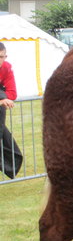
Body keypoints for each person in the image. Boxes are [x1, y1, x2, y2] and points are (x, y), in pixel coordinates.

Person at [0, 42, 22, 178]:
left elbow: (12, 93)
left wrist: (2, 97)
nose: (1, 60)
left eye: (3, 56)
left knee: (13, 152)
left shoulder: (6, 68)